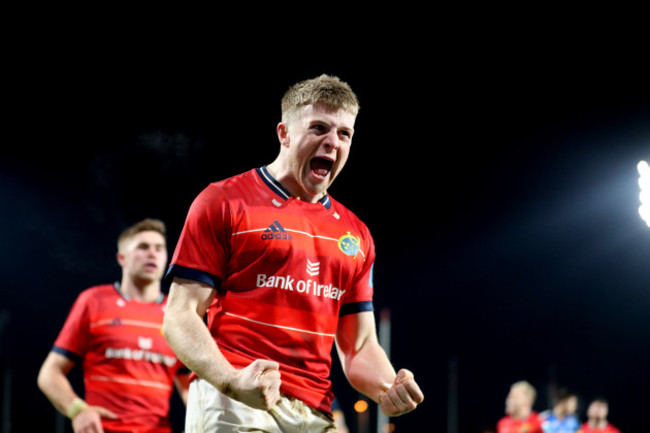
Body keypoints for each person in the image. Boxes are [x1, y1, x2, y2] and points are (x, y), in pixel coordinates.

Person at [162, 74, 425, 432]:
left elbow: (359, 345)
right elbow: (179, 315)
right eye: (319, 128)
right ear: (284, 134)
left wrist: (388, 387)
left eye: (344, 134)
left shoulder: (356, 234)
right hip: (234, 399)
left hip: (314, 410)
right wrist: (231, 380)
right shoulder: (223, 200)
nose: (332, 142)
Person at [37, 218, 190, 433]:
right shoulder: (94, 301)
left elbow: (190, 388)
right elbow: (49, 373)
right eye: (143, 247)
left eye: (159, 248)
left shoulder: (176, 315)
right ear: (122, 258)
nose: (152, 254)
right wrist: (78, 410)